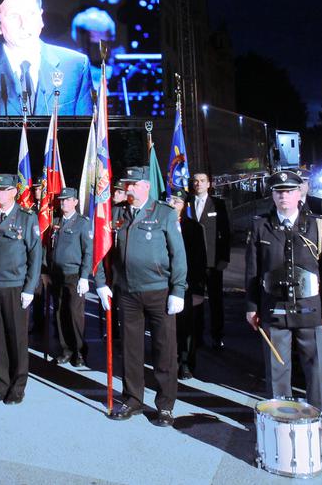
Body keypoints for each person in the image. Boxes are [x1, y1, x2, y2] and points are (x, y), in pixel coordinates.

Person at [244, 170, 322, 453]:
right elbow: (253, 272)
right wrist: (251, 307)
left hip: (311, 310)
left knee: (317, 370)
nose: (284, 196)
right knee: (277, 371)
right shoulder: (260, 226)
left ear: (300, 193)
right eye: (278, 191)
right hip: (273, 311)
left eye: (289, 191)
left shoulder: (318, 225)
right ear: (272, 195)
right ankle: (280, 424)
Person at [96, 167, 186, 426]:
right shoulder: (117, 214)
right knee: (131, 349)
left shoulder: (164, 213)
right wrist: (101, 283)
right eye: (126, 184)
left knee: (164, 350)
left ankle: (165, 405)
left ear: (146, 186)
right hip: (128, 292)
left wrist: (178, 289)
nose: (128, 188)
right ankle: (133, 398)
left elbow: (178, 254)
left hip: (159, 291)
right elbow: (103, 251)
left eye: (133, 184)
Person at [0, 173, 42, 404]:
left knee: (17, 339)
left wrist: (29, 289)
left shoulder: (26, 218)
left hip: (15, 287)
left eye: (3, 189)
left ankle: (17, 386)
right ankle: (1, 384)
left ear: (13, 192)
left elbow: (35, 255)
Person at [45, 188, 93, 367]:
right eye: (61, 200)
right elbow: (49, 249)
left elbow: (88, 251)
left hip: (74, 275)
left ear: (75, 202)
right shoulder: (56, 222)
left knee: (75, 314)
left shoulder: (82, 223)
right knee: (59, 313)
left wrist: (84, 276)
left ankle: (79, 350)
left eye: (67, 200)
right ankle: (66, 349)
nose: (63, 202)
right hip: (56, 274)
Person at [189, 171, 231, 349]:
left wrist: (224, 258)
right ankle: (197, 335)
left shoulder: (218, 204)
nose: (198, 184)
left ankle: (217, 335)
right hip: (193, 262)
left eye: (202, 181)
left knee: (215, 301)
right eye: (196, 181)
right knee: (195, 300)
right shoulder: (187, 203)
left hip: (213, 262)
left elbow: (227, 233)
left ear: (209, 184)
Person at [169, 190, 206, 379]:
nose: (173, 204)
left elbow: (200, 260)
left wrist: (199, 288)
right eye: (170, 200)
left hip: (187, 284)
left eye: (177, 201)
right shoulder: (159, 225)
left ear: (184, 205)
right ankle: (170, 361)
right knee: (168, 327)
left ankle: (185, 363)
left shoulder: (194, 228)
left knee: (186, 328)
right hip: (165, 284)